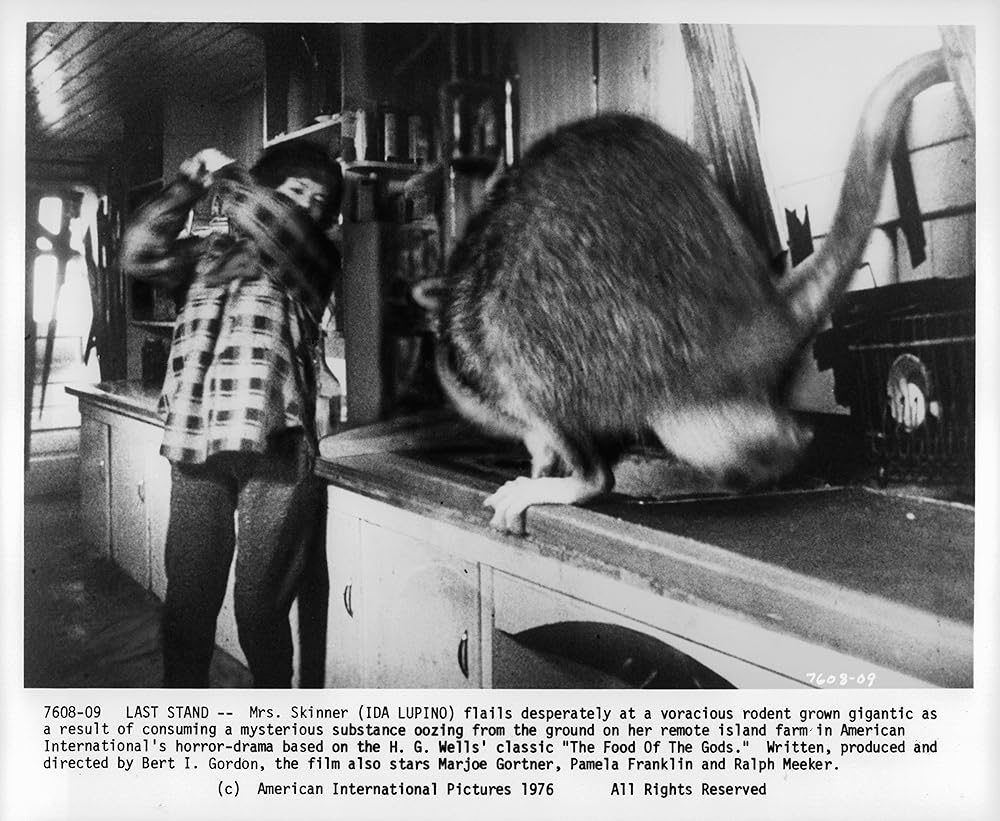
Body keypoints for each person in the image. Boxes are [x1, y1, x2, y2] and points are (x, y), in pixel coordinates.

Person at [120, 141, 343, 687]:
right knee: (188, 605)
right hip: (198, 439)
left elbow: (272, 223)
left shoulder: (313, 255)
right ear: (270, 188)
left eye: (319, 201)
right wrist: (184, 188)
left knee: (259, 612)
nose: (307, 206)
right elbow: (138, 254)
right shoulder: (212, 254)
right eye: (297, 191)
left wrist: (227, 175)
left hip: (278, 444)